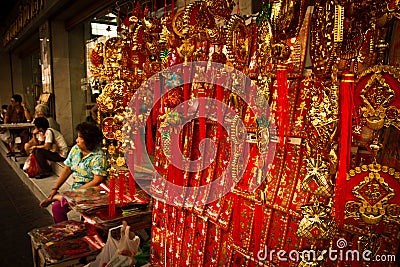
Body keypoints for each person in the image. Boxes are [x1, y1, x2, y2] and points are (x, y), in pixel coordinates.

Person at [39, 122, 108, 223]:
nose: (76, 140)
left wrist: (74, 193)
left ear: (88, 140)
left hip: (92, 191)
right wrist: (56, 187)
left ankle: (59, 197)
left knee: (88, 220)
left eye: (80, 137)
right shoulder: (76, 149)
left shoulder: (99, 157)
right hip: (75, 190)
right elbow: (67, 169)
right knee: (57, 209)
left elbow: (97, 180)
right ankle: (65, 232)